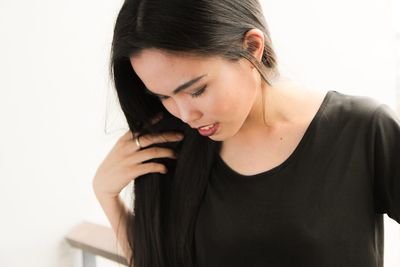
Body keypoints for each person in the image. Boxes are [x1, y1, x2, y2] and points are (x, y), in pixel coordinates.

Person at [92, 0, 400, 266]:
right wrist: (107, 196)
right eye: (163, 96)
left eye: (197, 90)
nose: (185, 115)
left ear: (252, 46)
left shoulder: (363, 131)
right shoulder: (172, 146)